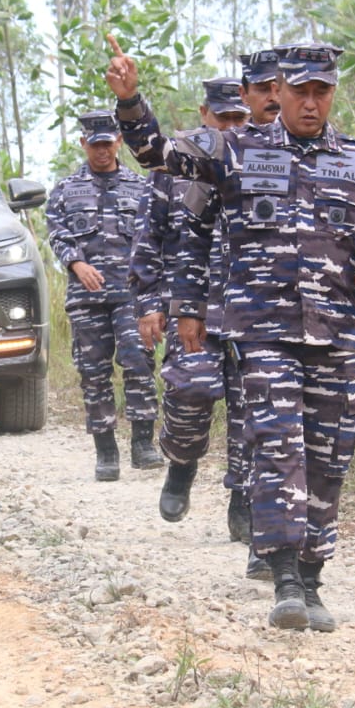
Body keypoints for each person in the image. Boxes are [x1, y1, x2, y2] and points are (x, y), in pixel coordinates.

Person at [107, 40, 355, 632]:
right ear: (278, 93)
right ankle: (284, 579)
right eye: (300, 92)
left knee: (329, 456)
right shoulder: (233, 150)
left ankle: (313, 575)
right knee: (275, 445)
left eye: (323, 92)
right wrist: (131, 102)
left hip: (334, 333)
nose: (311, 103)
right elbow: (158, 156)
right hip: (261, 330)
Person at [130, 78, 248, 526]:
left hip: (251, 311)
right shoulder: (173, 171)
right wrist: (148, 302)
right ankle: (181, 464)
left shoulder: (264, 164)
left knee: (252, 412)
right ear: (205, 115)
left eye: (241, 118)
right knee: (190, 393)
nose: (233, 127)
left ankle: (245, 504)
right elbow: (148, 240)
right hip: (192, 307)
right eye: (225, 119)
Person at [45, 109, 164, 481]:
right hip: (87, 299)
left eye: (108, 143)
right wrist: (76, 264)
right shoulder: (66, 190)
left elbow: (151, 240)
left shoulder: (139, 187)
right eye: (94, 144)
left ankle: (143, 443)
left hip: (130, 297)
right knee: (93, 373)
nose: (102, 151)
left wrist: (153, 292)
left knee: (139, 364)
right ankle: (106, 451)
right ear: (83, 144)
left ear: (118, 142)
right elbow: (57, 234)